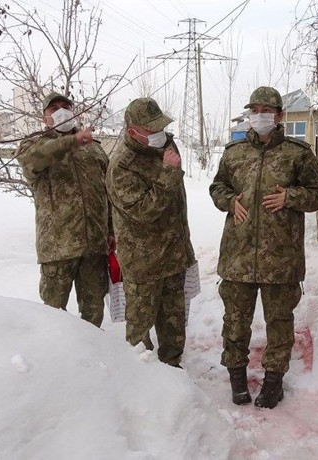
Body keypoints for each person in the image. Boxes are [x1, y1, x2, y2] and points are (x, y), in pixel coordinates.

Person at [210, 86, 318, 408]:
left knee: (279, 323)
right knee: (235, 321)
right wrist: (228, 201)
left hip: (281, 257)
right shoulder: (234, 153)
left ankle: (273, 382)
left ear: (278, 115)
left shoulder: (298, 153)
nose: (259, 115)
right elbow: (217, 186)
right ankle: (237, 378)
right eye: (255, 109)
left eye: (266, 110)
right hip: (238, 256)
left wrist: (290, 197)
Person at [106, 97, 195, 368]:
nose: (160, 134)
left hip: (174, 255)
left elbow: (177, 203)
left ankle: (172, 370)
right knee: (139, 331)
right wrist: (168, 174)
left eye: (161, 127)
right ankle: (141, 380)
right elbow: (144, 211)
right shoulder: (121, 165)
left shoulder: (165, 145)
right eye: (152, 129)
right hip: (144, 264)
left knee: (174, 324)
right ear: (133, 132)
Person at [17, 91, 112, 327]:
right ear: (45, 118)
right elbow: (34, 160)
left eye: (65, 106)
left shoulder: (94, 149)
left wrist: (111, 231)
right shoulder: (34, 146)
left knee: (93, 313)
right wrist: (72, 141)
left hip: (94, 246)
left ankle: (91, 358)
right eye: (54, 108)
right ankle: (57, 361)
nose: (61, 111)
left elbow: (108, 193)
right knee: (52, 316)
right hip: (58, 247)